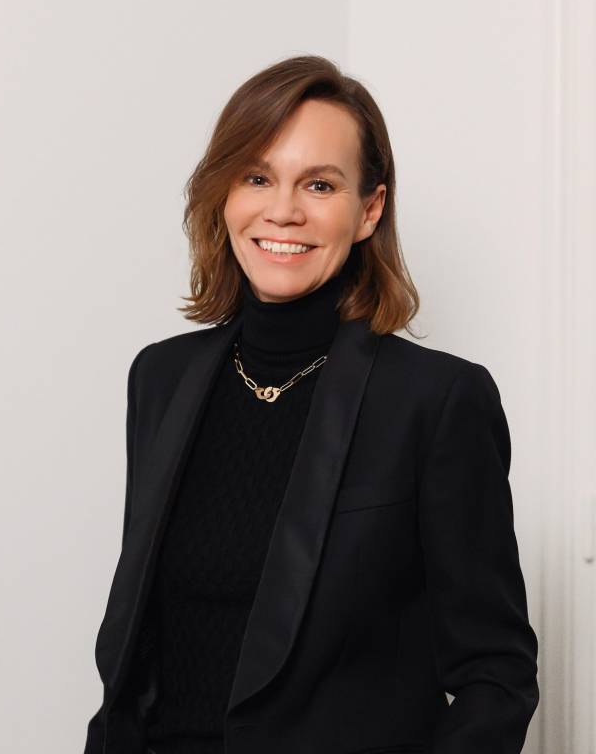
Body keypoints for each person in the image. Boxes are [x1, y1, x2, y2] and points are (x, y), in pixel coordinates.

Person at [83, 55, 540, 754]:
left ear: (369, 210)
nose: (283, 210)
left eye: (319, 184)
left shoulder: (437, 401)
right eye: (256, 177)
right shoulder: (161, 378)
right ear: (224, 194)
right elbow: (142, 648)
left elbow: (495, 674)